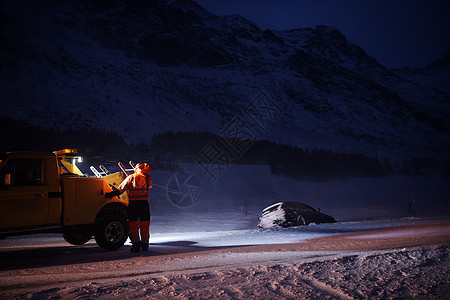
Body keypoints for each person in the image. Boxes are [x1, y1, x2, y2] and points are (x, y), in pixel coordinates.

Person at [106, 163, 152, 252]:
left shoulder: (131, 177)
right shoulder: (147, 178)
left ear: (136, 168)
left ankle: (136, 245)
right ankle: (145, 245)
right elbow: (150, 186)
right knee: (145, 225)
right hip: (144, 204)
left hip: (134, 205)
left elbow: (120, 190)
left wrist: (110, 194)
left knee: (134, 225)